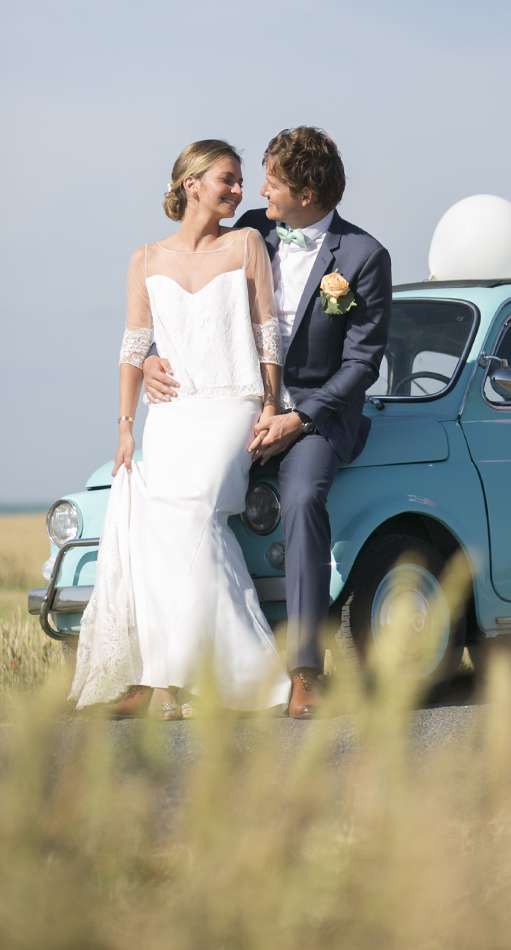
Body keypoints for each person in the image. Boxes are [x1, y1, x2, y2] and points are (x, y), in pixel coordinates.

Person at [142, 126, 391, 719]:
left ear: (306, 192)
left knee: (304, 499)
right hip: (234, 400)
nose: (261, 190)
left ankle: (305, 669)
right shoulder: (252, 226)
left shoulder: (363, 257)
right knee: (178, 497)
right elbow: (190, 286)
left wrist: (297, 417)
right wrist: (151, 353)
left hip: (314, 414)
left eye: (273, 182)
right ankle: (163, 667)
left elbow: (362, 364)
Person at [71, 141, 291, 718]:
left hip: (232, 404)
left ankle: (217, 681)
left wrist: (269, 403)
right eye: (228, 179)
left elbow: (268, 332)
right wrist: (125, 427)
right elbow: (133, 345)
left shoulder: (246, 245)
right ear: (192, 182)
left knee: (191, 512)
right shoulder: (144, 258)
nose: (240, 191)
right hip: (169, 413)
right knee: (155, 516)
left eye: (242, 181)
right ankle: (175, 685)